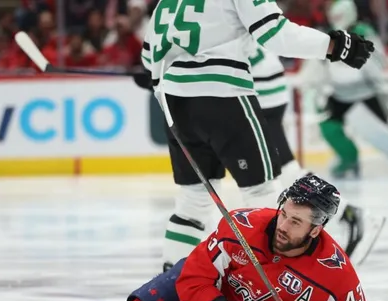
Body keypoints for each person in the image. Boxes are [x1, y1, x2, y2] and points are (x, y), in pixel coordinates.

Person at [0, 175, 368, 301]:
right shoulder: (243, 225)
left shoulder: (337, 272)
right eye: (283, 214)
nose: (282, 225)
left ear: (319, 227)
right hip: (200, 293)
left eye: (296, 223)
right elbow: (193, 278)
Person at [131, 0, 374, 273]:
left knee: (192, 202)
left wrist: (152, 73)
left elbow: (149, 58)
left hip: (176, 105)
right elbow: (275, 33)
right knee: (263, 192)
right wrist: (335, 46)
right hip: (225, 97)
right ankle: (278, 287)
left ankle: (173, 292)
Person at [246, 40, 386, 265]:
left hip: (254, 85)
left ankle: (348, 213)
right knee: (277, 165)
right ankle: (348, 213)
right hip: (255, 82)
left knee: (271, 167)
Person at [295, 0, 388, 178]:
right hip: (339, 95)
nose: (334, 18)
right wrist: (310, 88)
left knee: (383, 133)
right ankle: (349, 159)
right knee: (328, 126)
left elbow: (378, 61)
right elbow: (316, 66)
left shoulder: (364, 32)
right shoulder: (329, 36)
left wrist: (362, 63)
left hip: (366, 94)